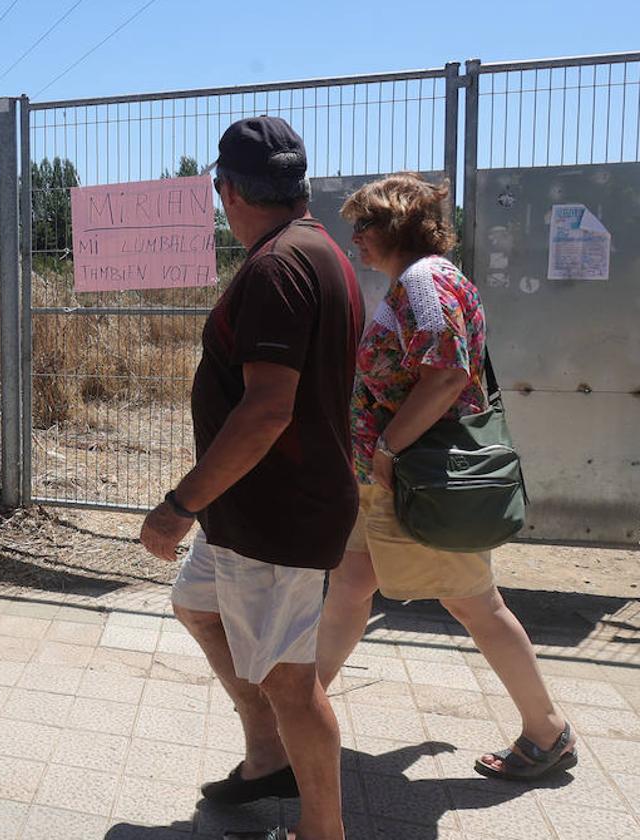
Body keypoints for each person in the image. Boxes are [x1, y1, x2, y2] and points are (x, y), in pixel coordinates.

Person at [141, 116, 363, 840]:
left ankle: (321, 830)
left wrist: (179, 506)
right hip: (250, 512)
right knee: (197, 605)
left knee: (293, 683)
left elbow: (267, 410)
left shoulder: (276, 268)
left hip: (276, 514)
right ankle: (267, 756)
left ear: (227, 190)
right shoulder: (320, 251)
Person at [314, 172, 576, 781]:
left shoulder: (423, 282)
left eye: (364, 224)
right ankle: (300, 710)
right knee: (351, 585)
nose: (353, 237)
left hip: (421, 477)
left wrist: (388, 446)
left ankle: (547, 732)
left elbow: (447, 373)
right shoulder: (424, 280)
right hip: (395, 480)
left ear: (396, 225)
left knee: (475, 603)